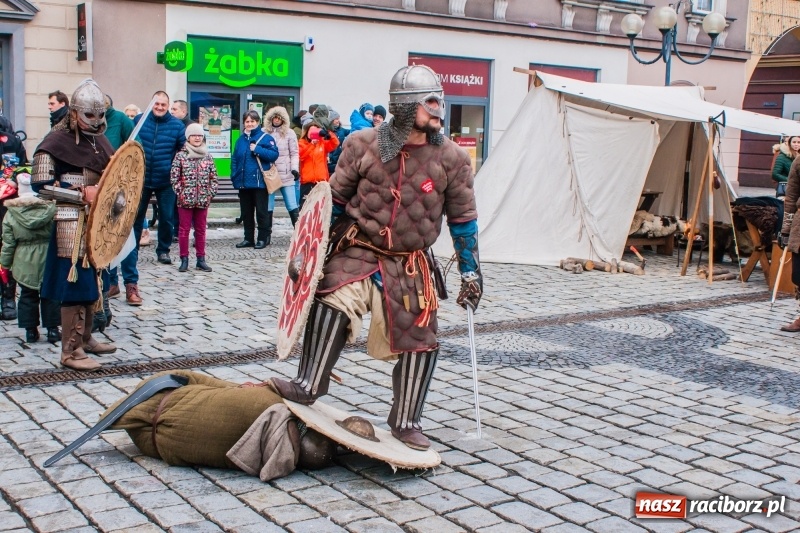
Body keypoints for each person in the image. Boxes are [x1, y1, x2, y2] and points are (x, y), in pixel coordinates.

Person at [270, 65, 482, 451]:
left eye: (439, 100)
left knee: (421, 338)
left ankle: (406, 420)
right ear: (404, 106)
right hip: (359, 248)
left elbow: (463, 220)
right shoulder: (362, 144)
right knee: (333, 299)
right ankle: (308, 383)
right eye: (429, 102)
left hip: (409, 261)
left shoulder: (452, 158)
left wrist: (471, 273)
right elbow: (332, 202)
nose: (439, 109)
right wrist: (308, 253)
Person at [97, 370, 337, 479]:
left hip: (157, 415)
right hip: (158, 438)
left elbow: (209, 383)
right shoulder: (263, 456)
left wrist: (251, 388)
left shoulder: (266, 402)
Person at [33, 78, 118, 371]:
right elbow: (41, 185)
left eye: (100, 114)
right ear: (73, 113)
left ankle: (86, 337)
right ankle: (70, 350)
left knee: (93, 280)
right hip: (70, 220)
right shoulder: (54, 142)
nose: (95, 121)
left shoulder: (99, 140)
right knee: (74, 284)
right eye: (89, 115)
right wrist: (81, 193)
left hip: (96, 221)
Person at [123, 91, 185, 307]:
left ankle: (163, 250)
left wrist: (176, 171)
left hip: (165, 179)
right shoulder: (139, 120)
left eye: (163, 104)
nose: (159, 107)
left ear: (168, 106)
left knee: (167, 217)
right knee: (137, 217)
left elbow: (182, 150)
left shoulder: (177, 125)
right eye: (157, 104)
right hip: (141, 178)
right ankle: (133, 251)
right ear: (151, 104)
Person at [0, 173, 60, 344]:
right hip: (48, 257)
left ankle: (30, 331)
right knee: (50, 294)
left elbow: (8, 243)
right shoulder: (50, 208)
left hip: (23, 260)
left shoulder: (11, 214)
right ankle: (53, 330)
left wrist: (5, 265)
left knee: (27, 295)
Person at [170, 123, 218, 272]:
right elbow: (174, 177)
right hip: (185, 200)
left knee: (201, 230)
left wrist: (209, 193)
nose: (197, 138)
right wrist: (181, 192)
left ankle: (201, 259)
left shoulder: (207, 156)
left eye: (199, 135)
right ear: (188, 138)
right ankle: (184, 259)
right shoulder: (181, 156)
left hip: (203, 200)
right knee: (184, 230)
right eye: (194, 135)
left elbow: (213, 178)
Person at [101, 94, 134, 302]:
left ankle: (131, 283)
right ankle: (110, 283)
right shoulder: (88, 123)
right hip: (98, 187)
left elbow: (135, 148)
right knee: (104, 238)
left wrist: (120, 160)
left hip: (121, 186)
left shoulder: (120, 119)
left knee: (126, 235)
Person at [231, 110, 278, 249]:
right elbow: (235, 159)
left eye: (252, 121)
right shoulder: (240, 140)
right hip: (243, 183)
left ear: (257, 122)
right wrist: (234, 175)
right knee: (246, 213)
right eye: (247, 121)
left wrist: (257, 149)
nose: (250, 124)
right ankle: (248, 238)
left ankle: (262, 238)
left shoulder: (266, 138)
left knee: (262, 212)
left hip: (259, 183)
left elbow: (274, 155)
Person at [263, 106, 300, 229]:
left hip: (286, 174)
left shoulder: (290, 133)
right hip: (270, 174)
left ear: (283, 119)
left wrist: (295, 169)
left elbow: (294, 153)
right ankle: (266, 235)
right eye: (274, 117)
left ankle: (298, 233)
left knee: (292, 205)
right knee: (268, 206)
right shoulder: (264, 132)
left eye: (279, 117)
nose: (277, 120)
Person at [298, 121, 339, 209]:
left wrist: (328, 133)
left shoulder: (322, 143)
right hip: (307, 181)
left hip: (321, 181)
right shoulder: (302, 143)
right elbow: (301, 156)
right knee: (305, 207)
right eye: (311, 130)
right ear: (307, 132)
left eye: (316, 130)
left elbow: (335, 143)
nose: (314, 133)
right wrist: (312, 144)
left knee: (320, 207)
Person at [327, 110, 350, 176]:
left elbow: (351, 132)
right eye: (336, 119)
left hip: (340, 160)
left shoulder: (341, 130)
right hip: (330, 161)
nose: (338, 121)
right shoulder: (327, 132)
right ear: (331, 120)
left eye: (338, 119)